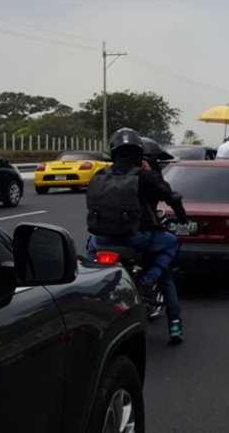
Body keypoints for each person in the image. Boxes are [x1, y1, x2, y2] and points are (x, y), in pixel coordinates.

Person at [86, 128, 189, 344]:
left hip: (103, 239)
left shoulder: (100, 175)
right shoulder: (144, 177)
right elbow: (171, 196)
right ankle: (172, 319)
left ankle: (88, 283)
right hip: (136, 238)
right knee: (171, 245)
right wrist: (182, 217)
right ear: (139, 152)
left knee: (91, 249)